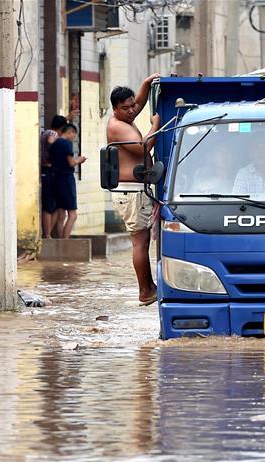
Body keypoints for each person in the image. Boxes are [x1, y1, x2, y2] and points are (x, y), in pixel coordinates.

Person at [106, 73, 163, 306]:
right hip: (131, 192)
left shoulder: (126, 118)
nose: (131, 111)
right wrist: (156, 124)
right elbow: (143, 148)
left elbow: (138, 102)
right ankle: (145, 290)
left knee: (143, 241)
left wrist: (146, 84)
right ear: (115, 109)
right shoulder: (117, 126)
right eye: (125, 108)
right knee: (140, 242)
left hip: (135, 190)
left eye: (132, 107)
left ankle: (149, 287)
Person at [50, 123, 87, 239]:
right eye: (73, 135)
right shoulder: (66, 144)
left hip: (55, 179)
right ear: (70, 132)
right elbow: (71, 162)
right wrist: (79, 160)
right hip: (66, 179)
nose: (73, 138)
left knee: (61, 214)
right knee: (72, 214)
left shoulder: (55, 143)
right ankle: (66, 241)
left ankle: (60, 242)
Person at [40, 115, 66, 238]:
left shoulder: (45, 132)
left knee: (54, 205)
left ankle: (48, 232)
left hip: (49, 170)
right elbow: (51, 140)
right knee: (49, 205)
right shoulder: (52, 133)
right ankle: (47, 234)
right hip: (48, 170)